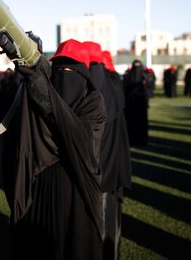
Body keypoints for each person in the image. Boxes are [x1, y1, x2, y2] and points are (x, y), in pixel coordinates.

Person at [3, 39, 106, 260]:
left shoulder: (94, 102)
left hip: (79, 187)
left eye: (71, 69)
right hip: (42, 186)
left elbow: (78, 135)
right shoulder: (43, 90)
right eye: (59, 69)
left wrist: (41, 86)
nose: (64, 75)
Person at [85, 42, 131, 260]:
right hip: (115, 160)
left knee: (102, 214)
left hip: (102, 163)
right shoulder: (113, 82)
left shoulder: (97, 85)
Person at [123, 60, 149, 146]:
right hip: (131, 103)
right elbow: (125, 89)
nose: (137, 69)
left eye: (139, 66)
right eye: (135, 66)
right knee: (131, 123)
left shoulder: (144, 76)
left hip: (141, 103)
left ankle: (142, 140)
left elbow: (148, 90)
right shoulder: (128, 76)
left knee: (141, 122)